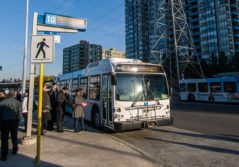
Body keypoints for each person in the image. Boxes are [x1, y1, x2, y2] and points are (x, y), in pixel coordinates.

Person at [0, 90, 22, 161]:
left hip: (4, 121)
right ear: (14, 95)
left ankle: (4, 155)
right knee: (14, 136)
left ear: (8, 95)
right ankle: (15, 149)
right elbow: (20, 114)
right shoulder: (18, 102)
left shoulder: (2, 102)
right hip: (14, 121)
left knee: (4, 138)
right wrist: (18, 121)